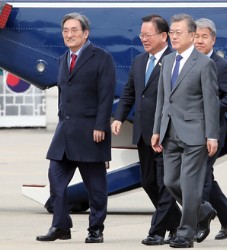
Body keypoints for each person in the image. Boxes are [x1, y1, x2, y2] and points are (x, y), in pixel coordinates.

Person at [36, 13, 116, 243]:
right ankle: (61, 226)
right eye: (65, 31)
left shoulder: (102, 58)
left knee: (96, 187)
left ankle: (96, 229)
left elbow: (106, 95)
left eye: (74, 30)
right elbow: (64, 93)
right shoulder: (63, 59)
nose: (69, 35)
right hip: (65, 133)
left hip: (92, 132)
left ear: (85, 33)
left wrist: (101, 125)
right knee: (56, 178)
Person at [111, 14, 181, 245]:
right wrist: (119, 117)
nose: (143, 39)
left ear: (164, 36)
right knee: (148, 181)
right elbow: (130, 92)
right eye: (141, 35)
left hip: (165, 133)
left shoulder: (175, 61)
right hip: (142, 132)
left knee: (164, 183)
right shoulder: (140, 61)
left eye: (147, 35)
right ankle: (177, 224)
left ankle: (157, 231)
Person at [151, 13, 219, 248]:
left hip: (195, 134)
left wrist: (212, 135)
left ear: (192, 35)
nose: (173, 36)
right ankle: (203, 211)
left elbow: (211, 102)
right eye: (172, 32)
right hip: (169, 133)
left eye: (178, 33)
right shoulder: (168, 61)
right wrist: (157, 129)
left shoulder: (204, 64)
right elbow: (163, 99)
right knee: (170, 182)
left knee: (190, 186)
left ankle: (185, 233)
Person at [193, 18, 227, 242]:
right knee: (205, 177)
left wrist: (208, 110)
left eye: (204, 36)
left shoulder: (222, 66)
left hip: (213, 132)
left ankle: (199, 222)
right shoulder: (187, 63)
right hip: (188, 130)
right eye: (196, 36)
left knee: (200, 176)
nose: (199, 41)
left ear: (213, 39)